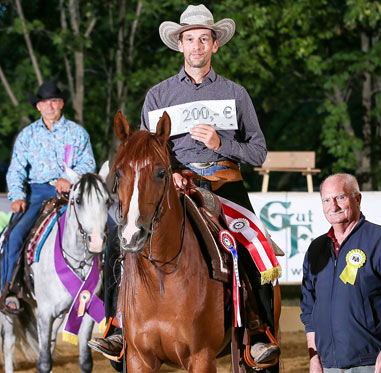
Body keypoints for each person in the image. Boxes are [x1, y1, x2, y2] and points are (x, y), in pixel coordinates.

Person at [89, 4, 279, 368]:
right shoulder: (158, 96)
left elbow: (258, 151)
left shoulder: (235, 93)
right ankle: (117, 324)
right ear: (180, 45)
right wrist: (171, 171)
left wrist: (221, 145)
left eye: (203, 39)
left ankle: (258, 332)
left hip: (224, 182)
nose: (196, 46)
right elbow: (148, 150)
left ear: (215, 45)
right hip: (169, 184)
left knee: (254, 245)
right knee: (123, 238)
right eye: (189, 39)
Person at [300, 173, 381, 373]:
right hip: (327, 365)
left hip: (373, 362)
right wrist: (314, 358)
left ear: (357, 199)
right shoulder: (316, 249)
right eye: (326, 200)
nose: (333, 205)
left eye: (340, 197)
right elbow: (308, 310)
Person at [1, 80, 95, 312]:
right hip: (37, 191)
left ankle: (109, 295)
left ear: (61, 103)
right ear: (38, 106)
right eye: (45, 102)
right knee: (14, 236)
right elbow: (16, 169)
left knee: (105, 228)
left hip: (72, 190)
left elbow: (88, 162)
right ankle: (10, 290)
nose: (50, 106)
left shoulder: (76, 132)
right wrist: (17, 195)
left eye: (54, 101)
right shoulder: (27, 135)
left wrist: (70, 177)